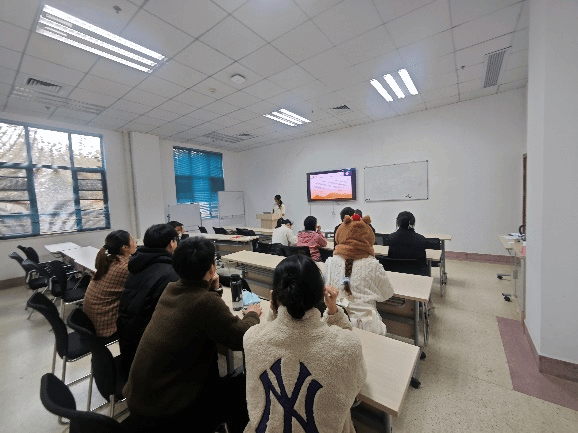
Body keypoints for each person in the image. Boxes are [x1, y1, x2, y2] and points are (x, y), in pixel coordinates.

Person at [122, 237, 262, 433]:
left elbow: (203, 314)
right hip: (167, 412)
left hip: (142, 400)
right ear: (212, 268)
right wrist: (253, 314)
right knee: (242, 388)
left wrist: (213, 290)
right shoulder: (205, 303)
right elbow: (241, 338)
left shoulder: (171, 289)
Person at [243, 254, 366, 432]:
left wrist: (275, 310)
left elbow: (271, 332)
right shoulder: (348, 346)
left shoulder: (252, 338)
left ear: (273, 297)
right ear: (321, 294)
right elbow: (355, 383)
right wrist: (334, 312)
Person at [116, 223, 180, 377]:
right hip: (150, 354)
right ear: (172, 243)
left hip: (129, 343)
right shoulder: (170, 273)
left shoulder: (137, 265)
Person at [323, 214, 394, 335]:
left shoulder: (330, 262)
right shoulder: (374, 264)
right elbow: (387, 294)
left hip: (335, 323)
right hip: (367, 327)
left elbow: (326, 292)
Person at [83, 230, 136, 338]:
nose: (135, 243)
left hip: (90, 320)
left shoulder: (109, 260)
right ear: (125, 247)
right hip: (106, 326)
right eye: (133, 241)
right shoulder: (125, 267)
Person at [388, 211, 428, 275]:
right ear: (413, 223)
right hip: (417, 275)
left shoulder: (391, 238)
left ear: (397, 223)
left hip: (396, 273)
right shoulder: (421, 239)